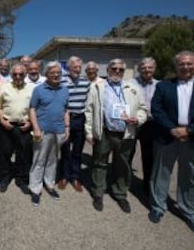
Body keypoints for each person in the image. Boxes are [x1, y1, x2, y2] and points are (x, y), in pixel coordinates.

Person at [85, 58, 147, 213]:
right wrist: (89, 132)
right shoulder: (97, 87)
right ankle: (98, 192)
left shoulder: (132, 88)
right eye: (114, 68)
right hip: (104, 132)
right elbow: (89, 111)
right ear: (108, 70)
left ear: (123, 72)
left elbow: (143, 109)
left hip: (125, 133)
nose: (117, 71)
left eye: (120, 69)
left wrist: (138, 119)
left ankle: (120, 193)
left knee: (122, 164)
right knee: (100, 162)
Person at [148, 51, 194, 232]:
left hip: (191, 138)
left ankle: (188, 209)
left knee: (189, 175)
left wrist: (188, 130)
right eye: (181, 64)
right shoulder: (164, 86)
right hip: (167, 136)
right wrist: (172, 128)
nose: (186, 67)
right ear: (176, 66)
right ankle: (158, 207)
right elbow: (156, 109)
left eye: (189, 63)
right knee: (161, 173)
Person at [29, 61, 69, 206]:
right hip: (43, 131)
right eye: (53, 73)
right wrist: (36, 128)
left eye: (58, 73)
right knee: (39, 160)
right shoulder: (38, 90)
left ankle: (50, 184)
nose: (56, 75)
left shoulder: (65, 90)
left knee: (53, 160)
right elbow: (32, 109)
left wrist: (67, 127)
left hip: (59, 130)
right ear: (46, 74)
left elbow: (66, 110)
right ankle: (35, 188)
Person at [0, 63, 35, 194]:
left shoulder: (32, 88)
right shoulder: (4, 87)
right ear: (11, 75)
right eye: (15, 74)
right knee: (5, 153)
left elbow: (36, 108)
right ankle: (4, 178)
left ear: (25, 74)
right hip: (7, 125)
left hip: (24, 126)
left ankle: (21, 179)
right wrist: (2, 120)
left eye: (21, 74)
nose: (18, 76)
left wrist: (30, 122)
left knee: (23, 154)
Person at [58, 56, 90, 192]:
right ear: (69, 67)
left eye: (79, 67)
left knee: (77, 151)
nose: (77, 69)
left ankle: (75, 177)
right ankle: (64, 176)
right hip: (66, 119)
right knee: (65, 150)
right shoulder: (62, 81)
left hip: (80, 119)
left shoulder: (86, 82)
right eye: (75, 67)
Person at [129, 57, 159, 193]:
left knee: (149, 156)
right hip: (132, 122)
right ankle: (124, 182)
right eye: (144, 67)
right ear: (139, 69)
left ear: (154, 69)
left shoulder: (160, 85)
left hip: (150, 124)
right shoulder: (130, 83)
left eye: (150, 67)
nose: (147, 70)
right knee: (127, 153)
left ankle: (148, 185)